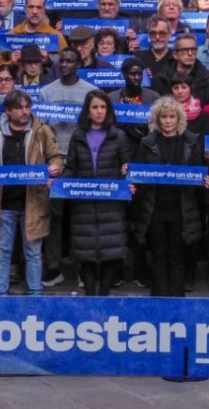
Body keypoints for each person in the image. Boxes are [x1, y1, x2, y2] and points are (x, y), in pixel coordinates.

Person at [0, 88, 64, 296]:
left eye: (27, 107)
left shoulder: (41, 130)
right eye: (19, 108)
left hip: (32, 201)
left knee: (33, 253)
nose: (25, 112)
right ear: (8, 110)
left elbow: (57, 156)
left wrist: (56, 167)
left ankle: (35, 294)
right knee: (2, 252)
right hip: (3, 202)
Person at [131, 97, 209, 297]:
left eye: (171, 117)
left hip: (181, 208)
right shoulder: (147, 143)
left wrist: (203, 180)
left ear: (179, 119)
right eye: (163, 117)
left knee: (177, 256)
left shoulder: (190, 142)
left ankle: (177, 299)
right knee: (158, 255)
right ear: (157, 120)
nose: (167, 121)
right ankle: (158, 299)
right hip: (155, 208)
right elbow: (139, 175)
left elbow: (197, 171)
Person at [36, 48, 98, 286]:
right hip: (54, 158)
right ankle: (53, 267)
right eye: (61, 60)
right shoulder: (46, 92)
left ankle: (84, 269)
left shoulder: (90, 92)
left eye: (69, 61)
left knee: (81, 215)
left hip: (82, 157)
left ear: (79, 64)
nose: (63, 64)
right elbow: (41, 128)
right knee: (54, 215)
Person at [64, 91, 130, 296]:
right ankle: (89, 297)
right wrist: (59, 183)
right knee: (86, 254)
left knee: (111, 252)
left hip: (111, 204)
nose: (99, 111)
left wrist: (128, 180)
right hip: (83, 205)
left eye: (103, 107)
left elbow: (127, 168)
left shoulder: (119, 136)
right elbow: (71, 168)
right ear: (88, 110)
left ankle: (104, 297)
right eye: (95, 107)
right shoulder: (78, 135)